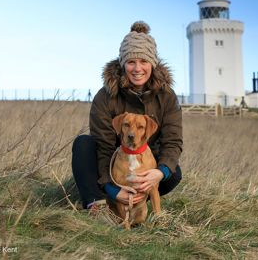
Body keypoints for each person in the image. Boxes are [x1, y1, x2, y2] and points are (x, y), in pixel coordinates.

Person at [71, 21, 183, 219]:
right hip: (113, 168)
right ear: (123, 64)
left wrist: (159, 172)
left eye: (144, 61)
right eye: (131, 62)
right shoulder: (105, 97)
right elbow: (103, 147)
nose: (137, 68)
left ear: (153, 63)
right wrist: (112, 189)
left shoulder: (166, 96)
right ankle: (98, 205)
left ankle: (139, 202)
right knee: (83, 144)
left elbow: (173, 141)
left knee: (173, 173)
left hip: (146, 163)